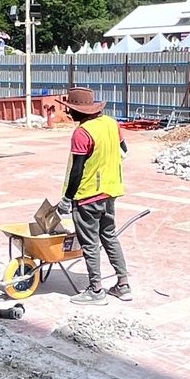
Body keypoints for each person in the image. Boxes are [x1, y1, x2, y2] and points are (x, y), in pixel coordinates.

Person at [56, 87, 131, 305]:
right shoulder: (111, 123)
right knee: (110, 237)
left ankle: (96, 290)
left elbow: (77, 170)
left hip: (88, 196)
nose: (69, 114)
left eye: (70, 110)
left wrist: (67, 199)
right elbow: (124, 150)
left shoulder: (82, 132)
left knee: (89, 244)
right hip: (110, 191)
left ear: (79, 111)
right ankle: (123, 285)